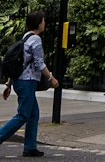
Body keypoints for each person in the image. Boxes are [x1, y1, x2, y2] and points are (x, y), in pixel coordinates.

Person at [0, 9, 58, 157]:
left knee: (33, 114)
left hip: (20, 81)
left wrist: (8, 84)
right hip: (27, 82)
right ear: (38, 23)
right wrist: (51, 78)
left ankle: (30, 147)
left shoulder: (25, 37)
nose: (45, 23)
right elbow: (39, 63)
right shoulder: (36, 39)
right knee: (23, 115)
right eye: (43, 20)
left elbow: (19, 63)